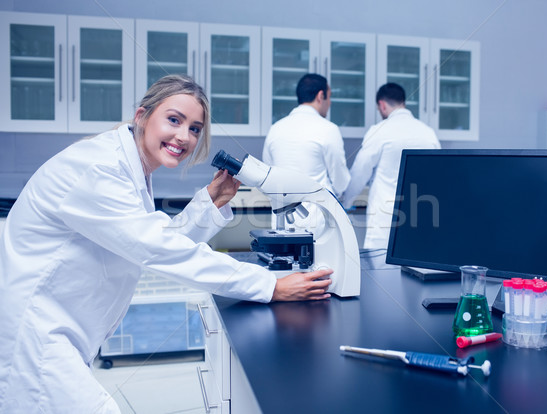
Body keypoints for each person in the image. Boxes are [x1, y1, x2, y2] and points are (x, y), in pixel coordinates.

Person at [0, 74, 332, 413]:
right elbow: (159, 249)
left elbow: (152, 243)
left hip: (60, 331)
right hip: (34, 333)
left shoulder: (131, 167)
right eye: (174, 120)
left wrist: (209, 202)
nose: (184, 136)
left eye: (195, 128)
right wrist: (270, 286)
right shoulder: (100, 168)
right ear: (142, 116)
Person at [342, 83, 441, 250]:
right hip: (422, 215)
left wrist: (346, 202)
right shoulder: (428, 133)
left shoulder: (380, 130)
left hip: (385, 219)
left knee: (380, 272)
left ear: (382, 104)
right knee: (415, 271)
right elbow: (438, 174)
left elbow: (360, 172)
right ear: (403, 101)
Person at [263, 74, 350, 232]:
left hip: (281, 224)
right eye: (329, 97)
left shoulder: (275, 129)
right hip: (317, 225)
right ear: (320, 95)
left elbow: (268, 177)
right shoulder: (328, 129)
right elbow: (341, 182)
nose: (329, 103)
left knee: (281, 258)